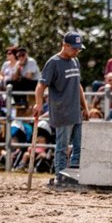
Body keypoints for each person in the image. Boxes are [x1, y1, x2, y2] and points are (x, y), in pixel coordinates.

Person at [32, 31, 90, 188]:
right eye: (74, 48)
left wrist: (85, 107)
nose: (77, 51)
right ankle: (60, 177)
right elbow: (41, 85)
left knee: (79, 145)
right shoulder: (53, 63)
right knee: (62, 147)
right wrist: (38, 104)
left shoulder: (75, 61)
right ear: (65, 45)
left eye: (79, 49)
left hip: (76, 110)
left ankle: (74, 176)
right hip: (62, 111)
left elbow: (78, 86)